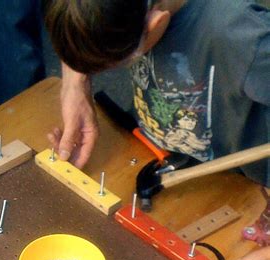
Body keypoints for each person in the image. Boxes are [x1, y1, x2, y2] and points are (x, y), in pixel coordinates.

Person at [43, 0, 270, 187]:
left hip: (238, 188)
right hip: (152, 153)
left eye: (120, 62)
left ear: (156, 22)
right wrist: (75, 83)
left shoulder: (243, 39)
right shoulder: (128, 15)